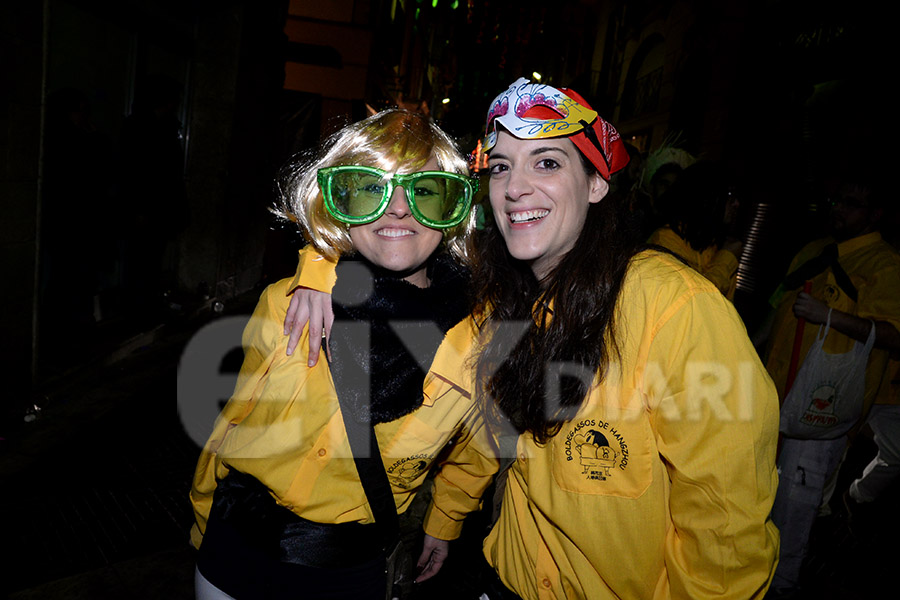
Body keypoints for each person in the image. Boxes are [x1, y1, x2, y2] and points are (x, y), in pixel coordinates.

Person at [285, 78, 780, 600]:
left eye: (547, 162)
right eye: (501, 167)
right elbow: (485, 422)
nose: (515, 187)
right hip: (503, 581)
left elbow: (726, 526)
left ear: (595, 182)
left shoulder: (675, 307)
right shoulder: (502, 302)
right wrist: (317, 264)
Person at [189, 108, 498, 600]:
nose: (397, 208)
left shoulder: (480, 335)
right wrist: (204, 516)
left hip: (349, 570)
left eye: (425, 190)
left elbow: (476, 445)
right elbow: (233, 424)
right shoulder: (286, 300)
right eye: (371, 188)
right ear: (339, 203)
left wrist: (445, 519)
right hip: (234, 549)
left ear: (454, 208)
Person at [761, 173, 900, 597]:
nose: (839, 210)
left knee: (796, 506)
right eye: (837, 201)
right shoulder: (814, 251)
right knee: (758, 490)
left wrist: (829, 317)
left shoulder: (885, 265)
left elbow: (894, 334)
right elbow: (775, 313)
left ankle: (780, 585)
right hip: (773, 396)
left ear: (875, 214)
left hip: (823, 410)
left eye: (852, 203)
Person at [648, 161, 743, 299]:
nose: (736, 204)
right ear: (707, 195)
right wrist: (725, 261)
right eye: (729, 195)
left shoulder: (717, 243)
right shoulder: (666, 240)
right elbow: (692, 300)